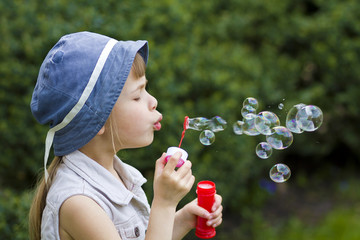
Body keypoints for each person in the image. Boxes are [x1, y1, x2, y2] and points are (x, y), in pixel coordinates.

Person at [28, 31, 223, 240]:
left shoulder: (117, 173)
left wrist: (182, 220)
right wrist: (164, 204)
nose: (153, 101)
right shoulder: (80, 203)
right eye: (138, 95)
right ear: (98, 120)